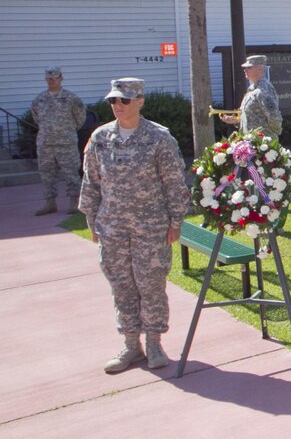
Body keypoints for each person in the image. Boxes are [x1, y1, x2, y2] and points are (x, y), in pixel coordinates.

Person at [79, 78, 188, 373]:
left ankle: (154, 343)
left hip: (150, 228)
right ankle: (131, 345)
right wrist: (91, 218)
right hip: (112, 228)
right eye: (114, 101)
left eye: (124, 100)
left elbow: (175, 183)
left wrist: (176, 220)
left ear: (140, 101)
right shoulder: (100, 138)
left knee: (151, 285)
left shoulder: (159, 138)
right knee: (121, 286)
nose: (118, 106)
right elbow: (91, 181)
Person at [30, 66, 86, 215]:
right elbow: (37, 119)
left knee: (71, 173)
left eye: (54, 78)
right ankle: (50, 203)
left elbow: (80, 118)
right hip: (45, 143)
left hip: (66, 142)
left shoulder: (71, 98)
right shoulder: (39, 99)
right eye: (49, 78)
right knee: (46, 173)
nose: (51, 81)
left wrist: (66, 130)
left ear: (61, 78)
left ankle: (75, 203)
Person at [219, 54, 282, 140]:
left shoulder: (263, 91)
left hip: (263, 144)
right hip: (251, 143)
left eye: (249, 68)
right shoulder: (252, 90)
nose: (245, 70)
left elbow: (274, 117)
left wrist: (270, 136)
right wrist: (236, 120)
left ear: (259, 69)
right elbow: (253, 116)